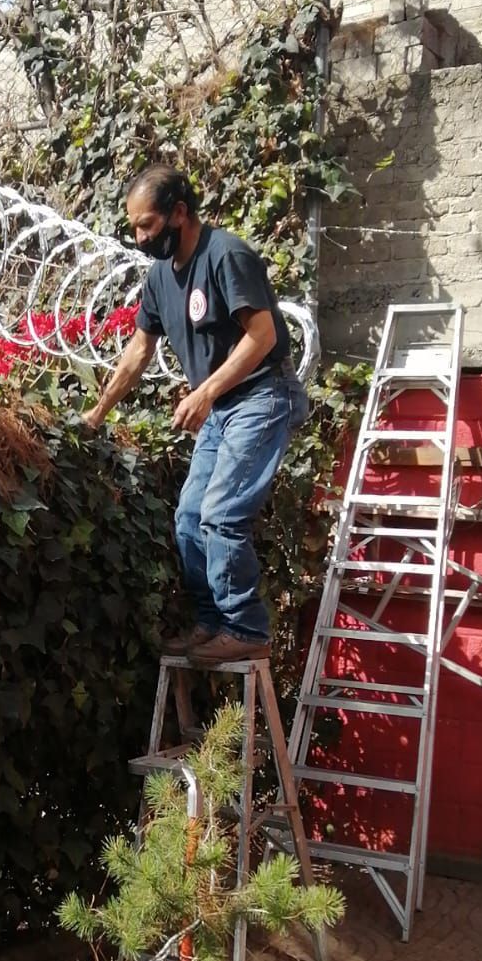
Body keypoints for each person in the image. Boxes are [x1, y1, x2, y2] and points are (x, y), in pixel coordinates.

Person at [84, 163, 308, 663]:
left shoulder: (226, 255)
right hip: (225, 406)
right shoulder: (160, 278)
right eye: (134, 227)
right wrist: (97, 413)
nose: (140, 238)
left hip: (263, 394)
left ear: (179, 213)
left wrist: (205, 392)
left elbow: (263, 336)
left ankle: (247, 628)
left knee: (223, 514)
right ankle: (212, 624)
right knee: (189, 519)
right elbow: (138, 352)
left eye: (147, 225)